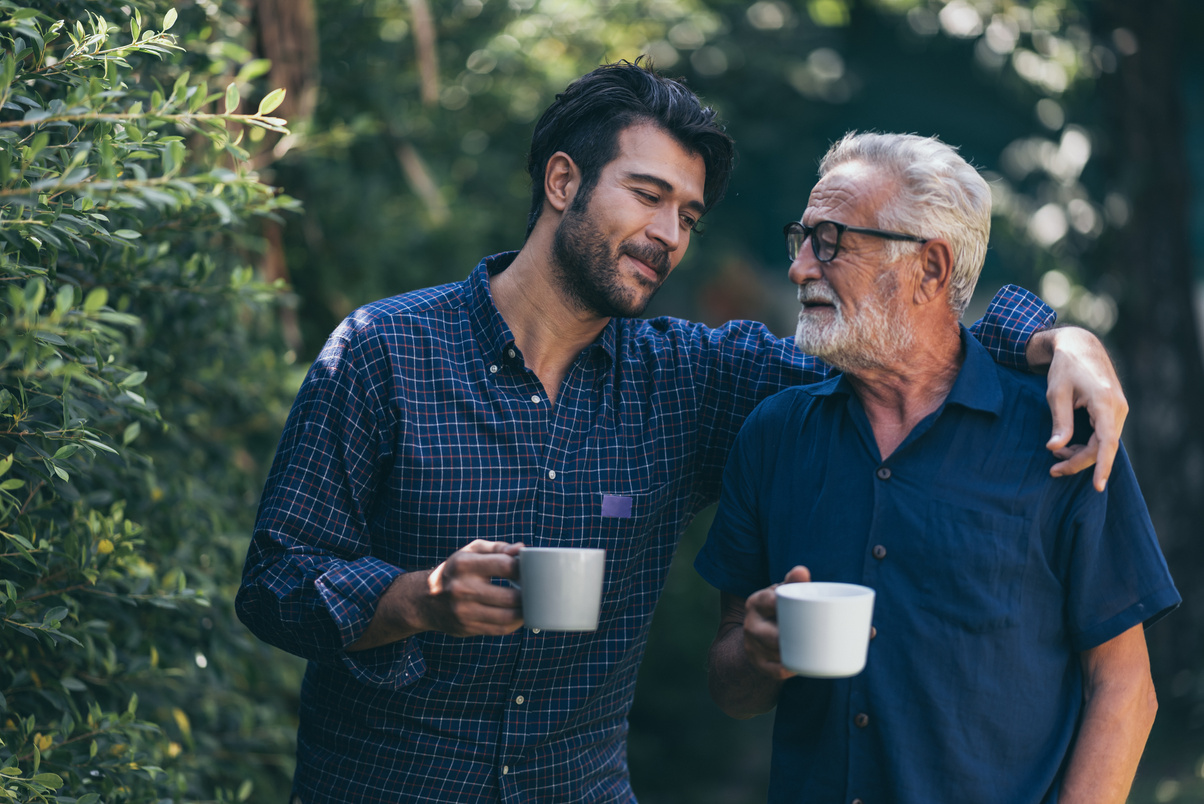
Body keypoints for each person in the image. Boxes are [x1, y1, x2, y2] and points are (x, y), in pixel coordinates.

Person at [236, 61, 1128, 802]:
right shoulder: (388, 350)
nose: (669, 235)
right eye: (649, 195)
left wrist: (1054, 338)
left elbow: (896, 341)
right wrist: (415, 600)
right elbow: (275, 578)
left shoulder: (692, 381)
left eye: (689, 216)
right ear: (562, 181)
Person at [697, 132, 1179, 804]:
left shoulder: (1062, 433)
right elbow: (731, 688)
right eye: (801, 240)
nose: (801, 267)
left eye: (831, 241)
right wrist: (755, 654)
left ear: (930, 269)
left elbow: (1125, 688)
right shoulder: (773, 436)